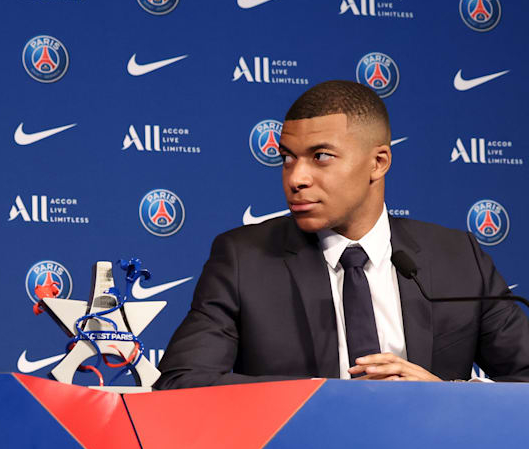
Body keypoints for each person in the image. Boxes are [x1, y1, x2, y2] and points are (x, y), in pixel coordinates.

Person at [155, 80, 529, 388]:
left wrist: (444, 397)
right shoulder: (243, 258)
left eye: (320, 156)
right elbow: (183, 382)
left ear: (378, 162)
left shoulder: (458, 257)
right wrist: (319, 401)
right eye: (287, 158)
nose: (296, 178)